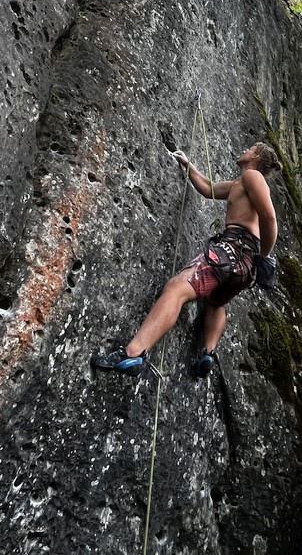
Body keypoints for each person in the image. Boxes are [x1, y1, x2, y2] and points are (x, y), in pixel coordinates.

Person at [91, 142, 281, 378]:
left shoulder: (253, 175)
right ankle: (208, 352)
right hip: (243, 266)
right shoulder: (238, 184)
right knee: (215, 302)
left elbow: (269, 217)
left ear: (256, 156)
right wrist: (188, 164)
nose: (244, 149)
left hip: (233, 249)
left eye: (251, 148)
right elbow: (209, 188)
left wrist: (264, 255)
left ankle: (133, 354)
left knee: (176, 289)